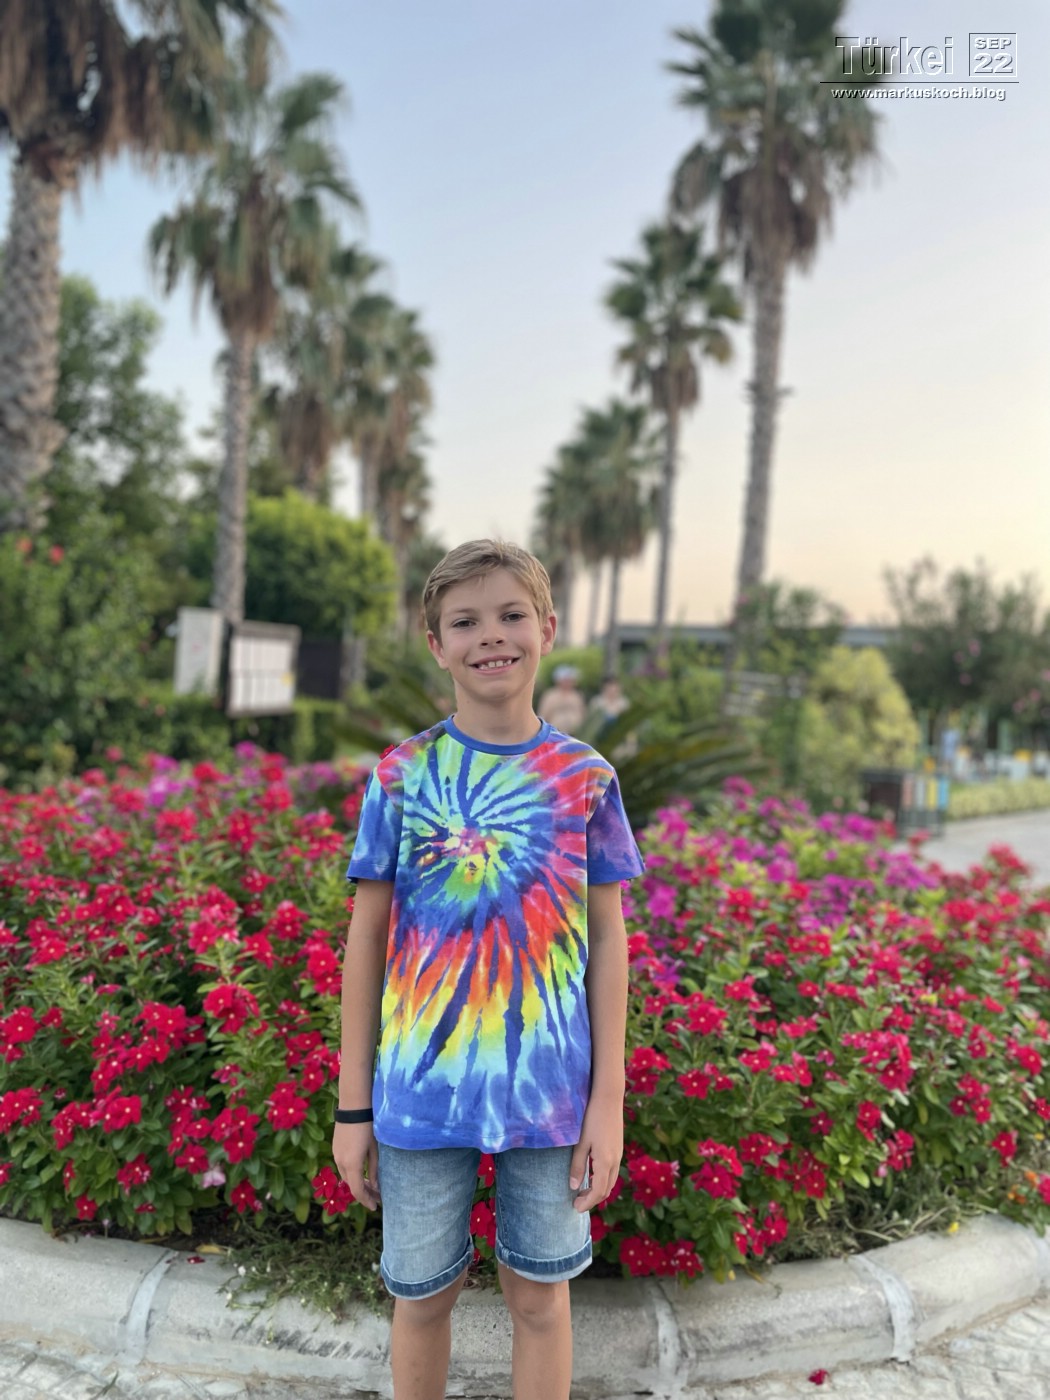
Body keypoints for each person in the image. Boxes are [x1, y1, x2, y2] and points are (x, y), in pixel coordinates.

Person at [332, 539, 644, 1400]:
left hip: (550, 1100)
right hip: (419, 1091)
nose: (491, 636)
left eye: (511, 615)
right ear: (437, 645)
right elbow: (367, 938)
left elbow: (608, 939)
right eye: (465, 622)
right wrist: (353, 1107)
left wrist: (607, 1102)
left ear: (548, 629)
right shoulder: (402, 775)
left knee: (540, 1298)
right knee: (421, 1297)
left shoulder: (585, 779)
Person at [537, 662, 586, 735]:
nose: (568, 683)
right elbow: (543, 714)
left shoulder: (577, 696)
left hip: (575, 734)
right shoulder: (550, 695)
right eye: (565, 680)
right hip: (555, 733)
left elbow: (582, 713)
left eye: (570, 680)